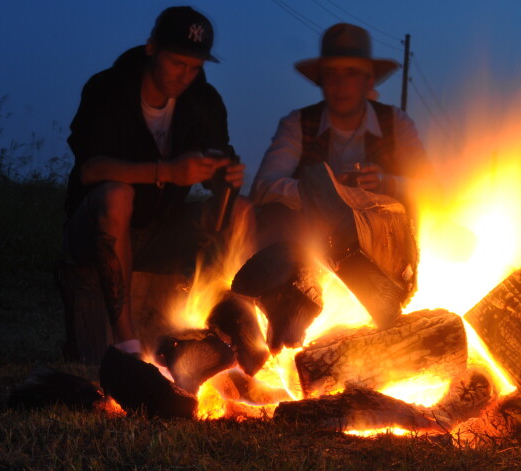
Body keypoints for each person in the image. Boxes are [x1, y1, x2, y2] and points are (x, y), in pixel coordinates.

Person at [62, 6, 246, 364]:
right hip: (94, 228)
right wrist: (166, 172)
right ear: (152, 49)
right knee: (117, 195)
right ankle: (127, 345)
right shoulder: (108, 88)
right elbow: (91, 170)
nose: (185, 75)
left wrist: (225, 178)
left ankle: (236, 339)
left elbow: (218, 165)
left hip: (161, 228)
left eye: (195, 66)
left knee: (242, 210)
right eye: (177, 62)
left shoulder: (204, 103)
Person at [250, 23, 434, 247]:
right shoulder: (298, 123)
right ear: (321, 82)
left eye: (351, 73)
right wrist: (322, 190)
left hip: (386, 239)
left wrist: (385, 183)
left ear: (369, 81)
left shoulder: (395, 123)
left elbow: (431, 189)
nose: (340, 84)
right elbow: (263, 187)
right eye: (331, 74)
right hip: (311, 242)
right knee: (275, 217)